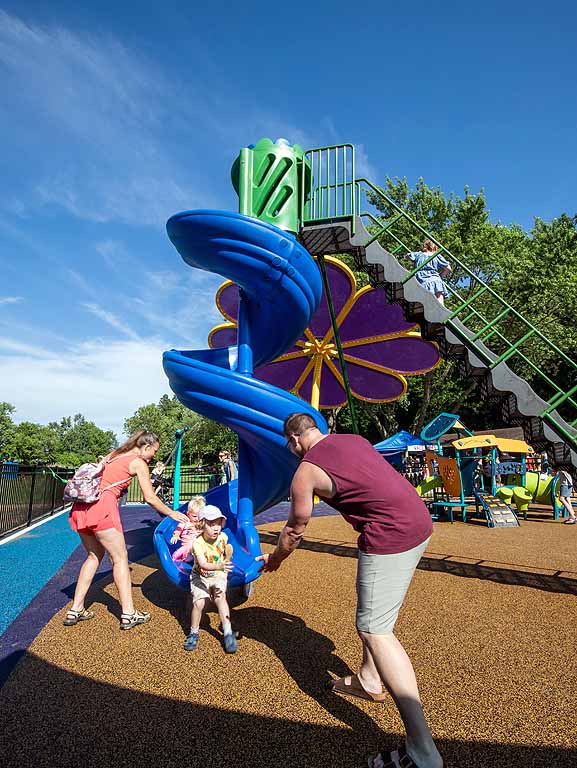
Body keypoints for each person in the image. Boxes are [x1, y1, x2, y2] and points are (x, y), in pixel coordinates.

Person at [258, 413, 442, 768]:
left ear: (294, 441)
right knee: (377, 612)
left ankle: (422, 750)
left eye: (290, 446)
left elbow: (295, 531)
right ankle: (370, 679)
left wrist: (276, 559)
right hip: (418, 521)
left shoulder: (305, 471)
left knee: (374, 628)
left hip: (389, 534)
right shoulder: (355, 440)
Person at [65, 431, 189, 630]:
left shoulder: (114, 454)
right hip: (102, 508)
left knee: (93, 556)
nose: (153, 456)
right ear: (146, 447)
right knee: (120, 558)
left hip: (81, 506)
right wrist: (171, 514)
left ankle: (76, 609)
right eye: (154, 451)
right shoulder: (138, 462)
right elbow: (149, 497)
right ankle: (128, 613)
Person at [184, 504, 237, 653]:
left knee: (220, 598)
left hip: (218, 575)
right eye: (211, 524)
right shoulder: (198, 544)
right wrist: (220, 565)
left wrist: (225, 561)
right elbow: (202, 564)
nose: (216, 528)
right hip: (199, 576)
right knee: (199, 603)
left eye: (218, 524)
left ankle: (227, 632)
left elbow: (225, 554)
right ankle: (193, 632)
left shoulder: (223, 537)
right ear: (201, 525)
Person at [406, 239, 452, 306]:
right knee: (439, 300)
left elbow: (408, 255)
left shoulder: (419, 255)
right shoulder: (437, 256)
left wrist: (413, 259)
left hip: (421, 280)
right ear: (435, 247)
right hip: (435, 279)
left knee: (422, 304)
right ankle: (442, 315)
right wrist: (441, 276)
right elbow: (448, 268)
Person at [171, 495, 205, 562]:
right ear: (188, 514)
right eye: (194, 516)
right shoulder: (185, 522)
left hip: (199, 545)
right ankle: (174, 559)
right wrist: (176, 535)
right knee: (185, 549)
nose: (197, 519)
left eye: (199, 516)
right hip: (187, 546)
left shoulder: (202, 523)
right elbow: (179, 529)